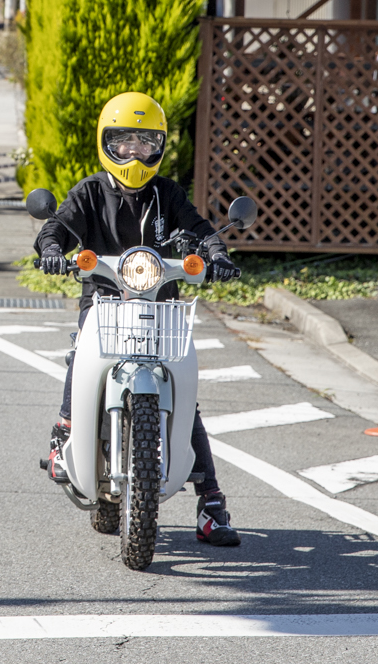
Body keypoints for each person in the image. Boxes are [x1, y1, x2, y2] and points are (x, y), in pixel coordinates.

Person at [33, 91, 244, 547]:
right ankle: (65, 428)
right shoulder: (89, 191)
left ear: (159, 146)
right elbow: (58, 226)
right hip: (105, 306)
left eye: (145, 142)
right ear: (105, 143)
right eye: (123, 141)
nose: (134, 152)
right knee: (79, 356)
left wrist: (216, 253)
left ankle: (211, 503)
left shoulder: (167, 194)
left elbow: (199, 230)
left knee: (185, 396)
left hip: (160, 311)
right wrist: (52, 250)